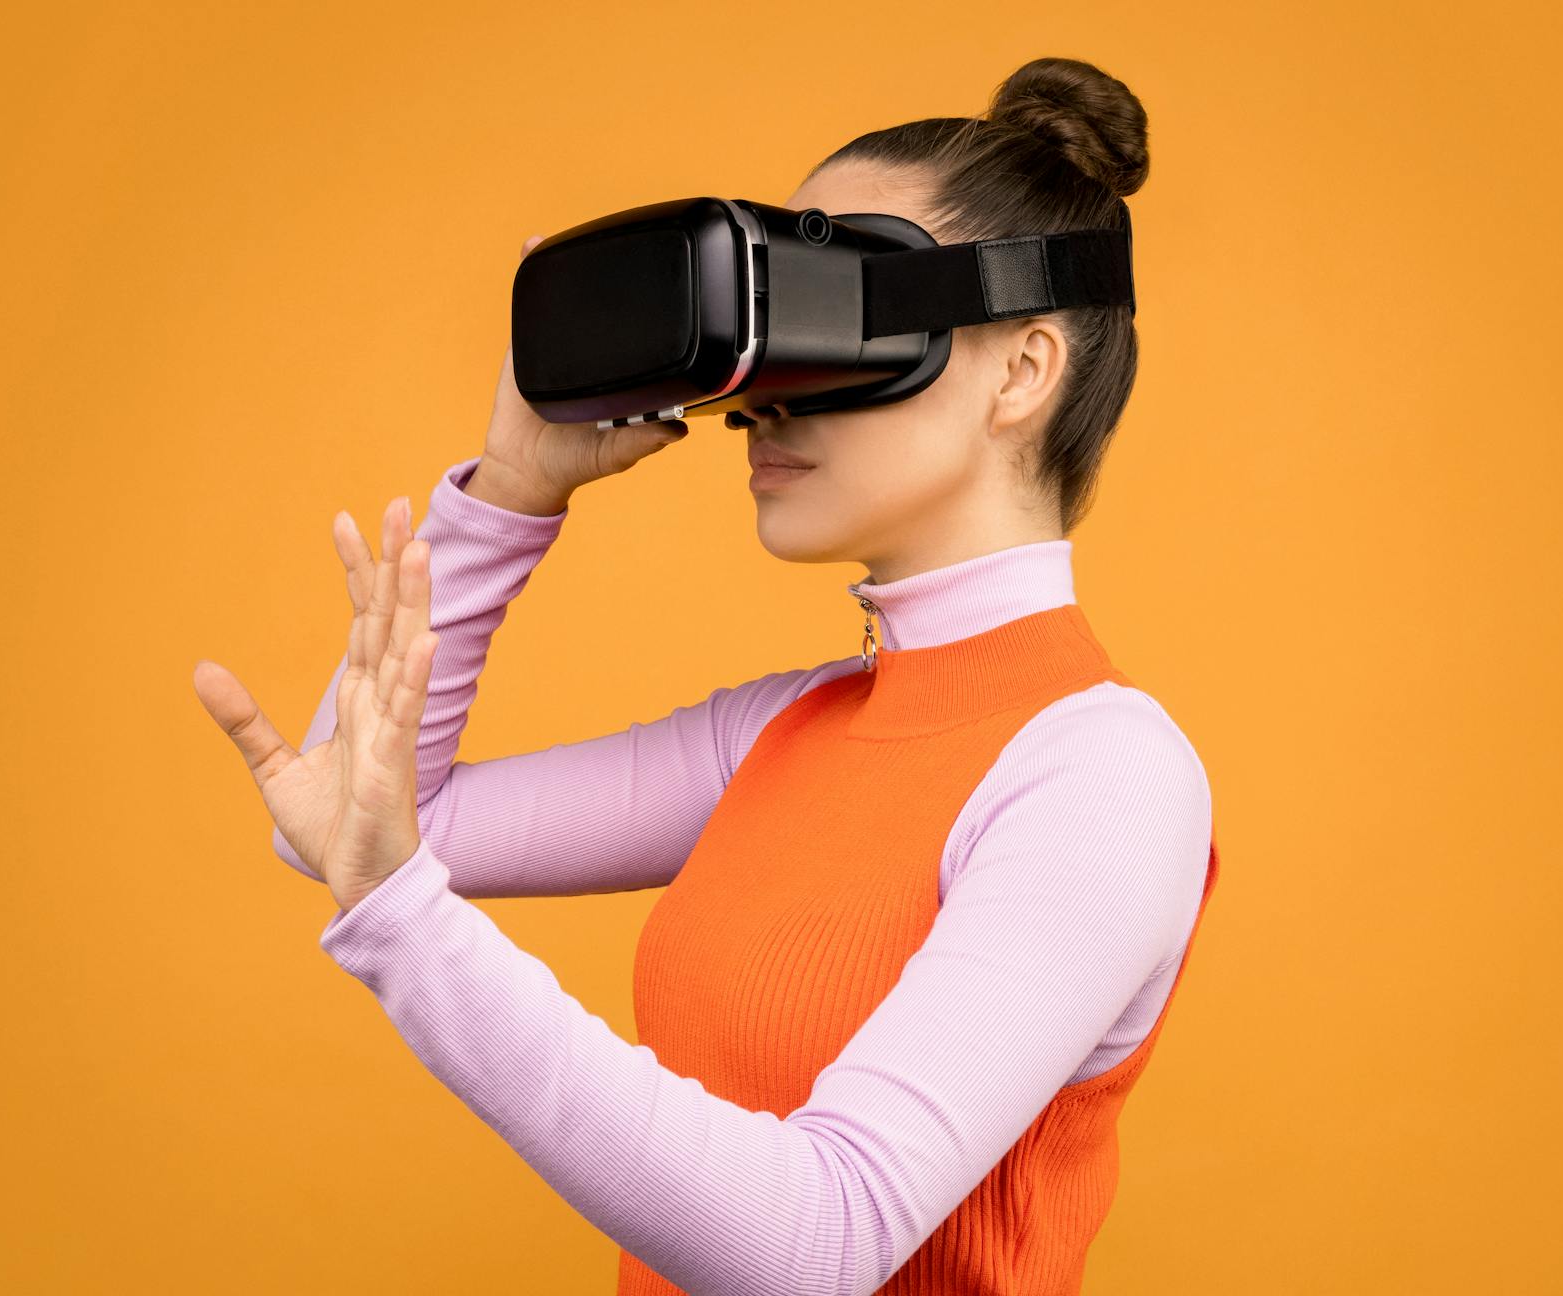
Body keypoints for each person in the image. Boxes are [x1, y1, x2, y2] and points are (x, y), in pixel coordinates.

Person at [195, 55, 1219, 1296]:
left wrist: (403, 927)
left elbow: (814, 1244)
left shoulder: (1100, 774)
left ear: (1021, 369)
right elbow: (388, 824)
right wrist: (511, 490)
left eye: (836, 311)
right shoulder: (787, 727)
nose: (763, 402)